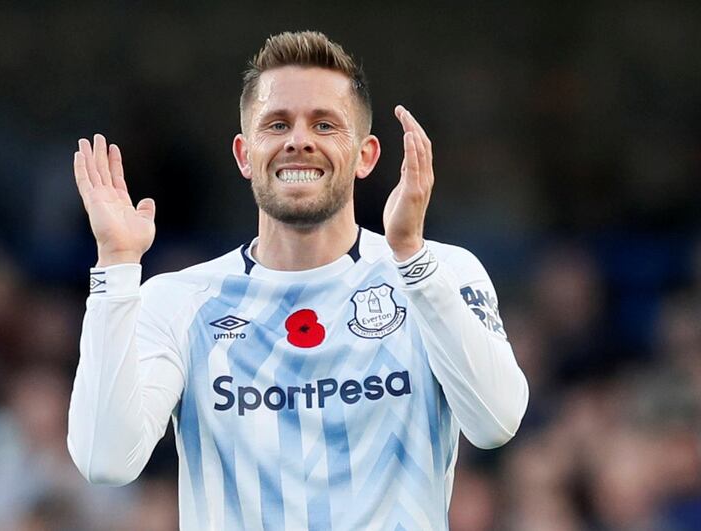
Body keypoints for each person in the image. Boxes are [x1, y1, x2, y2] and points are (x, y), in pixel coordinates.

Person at [67, 30, 528, 530]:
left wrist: (411, 258)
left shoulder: (437, 273)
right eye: (277, 123)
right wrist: (115, 264)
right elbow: (105, 461)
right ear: (245, 155)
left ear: (366, 155)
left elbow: (495, 423)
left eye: (325, 124)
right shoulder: (180, 301)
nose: (299, 140)